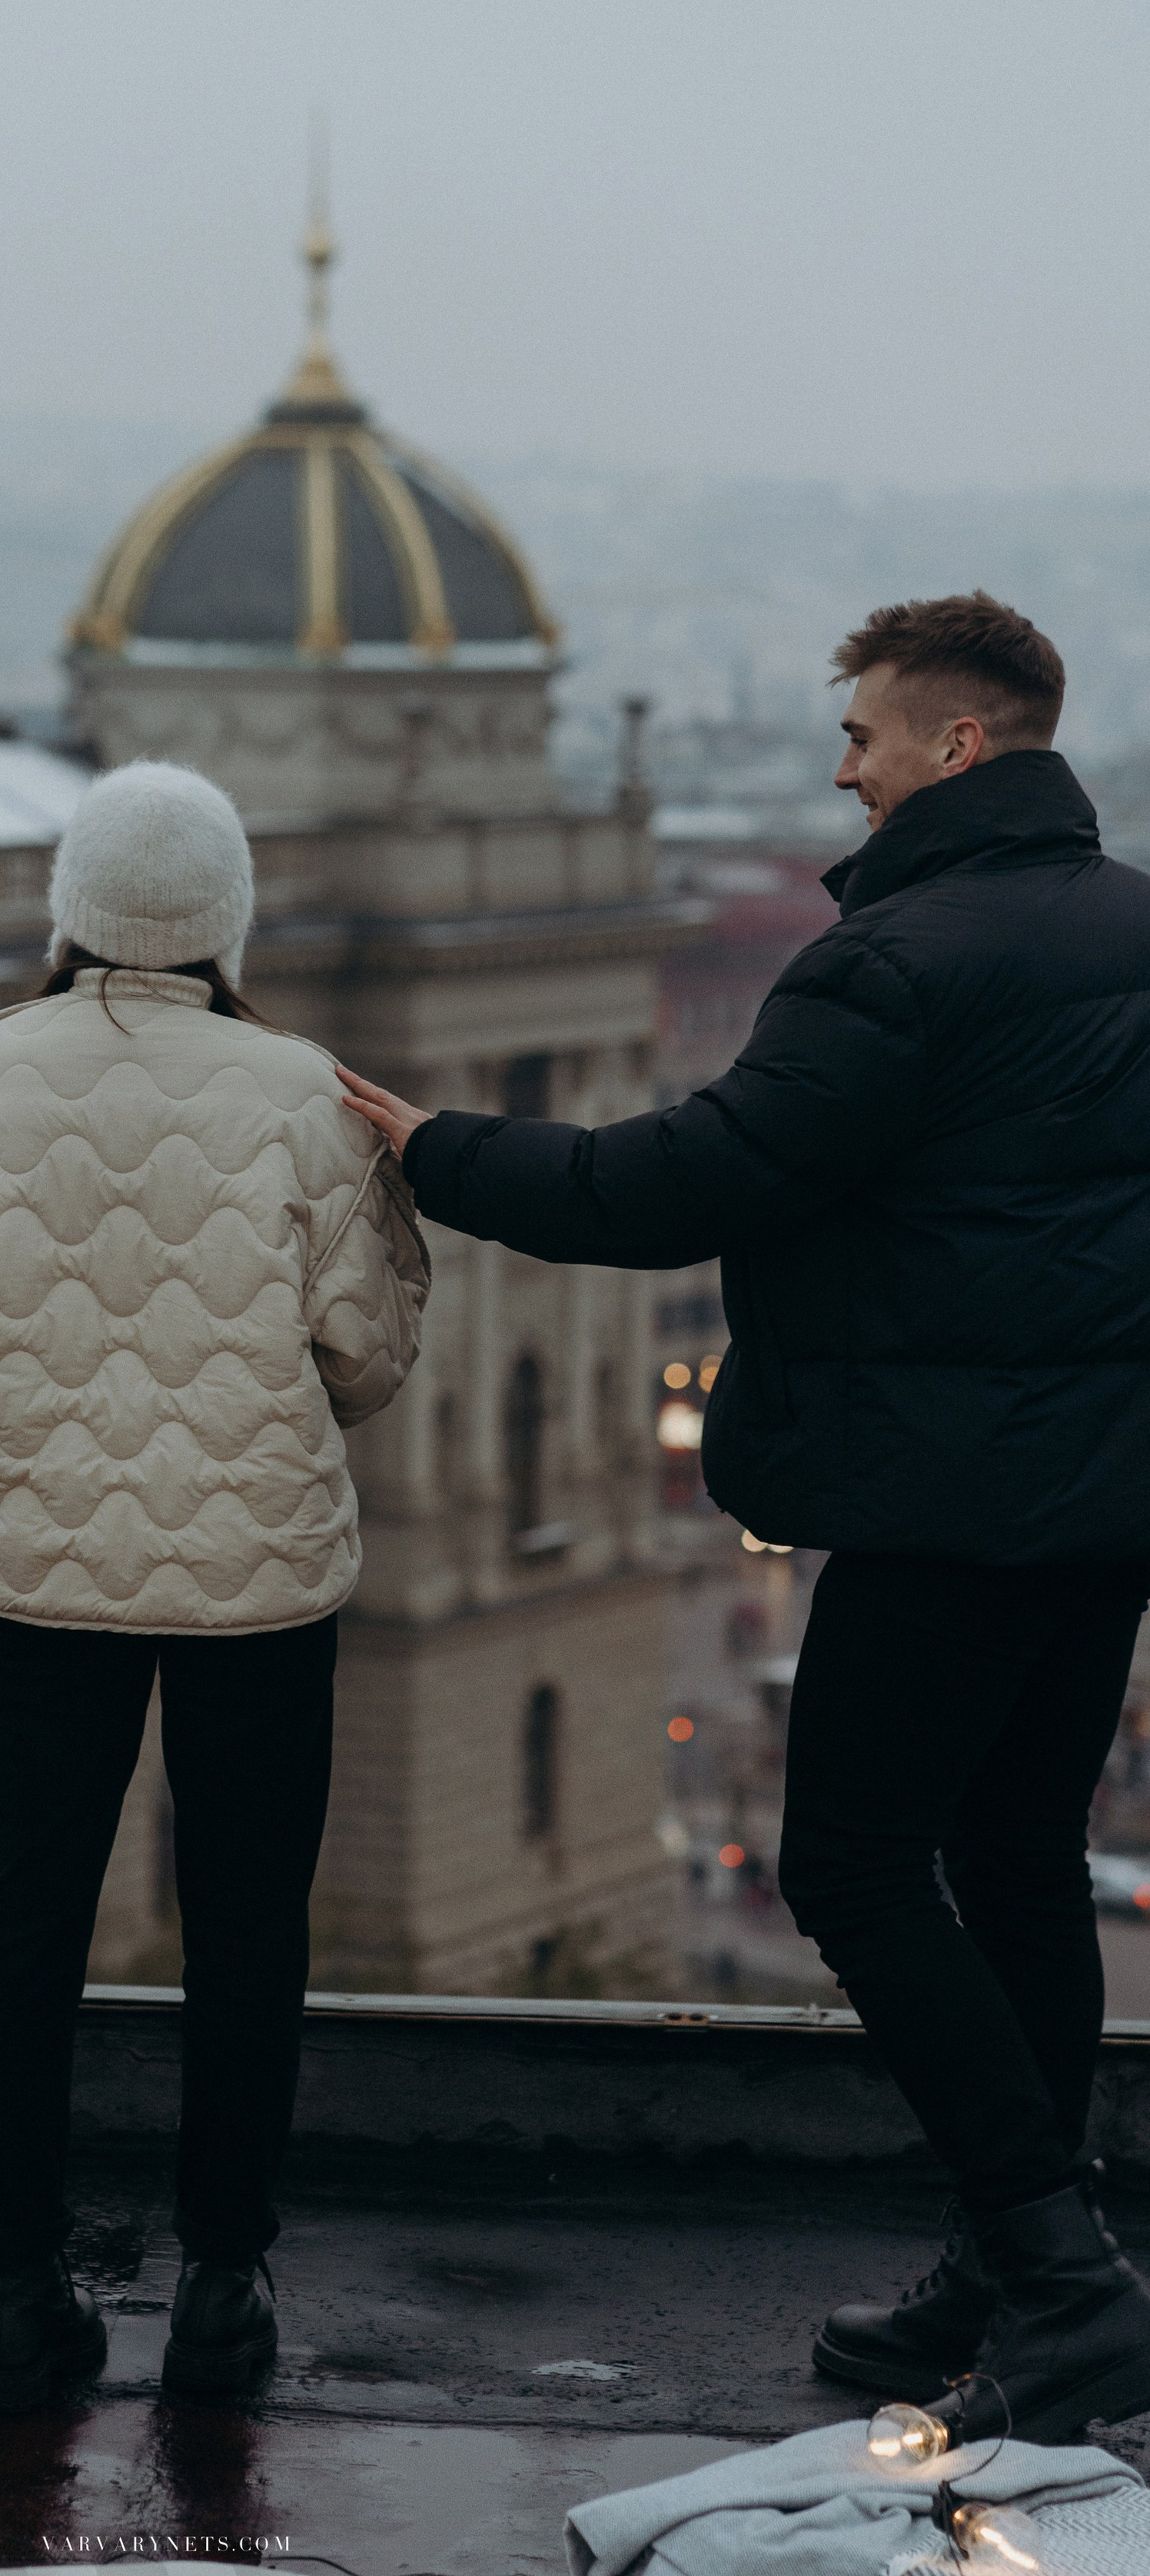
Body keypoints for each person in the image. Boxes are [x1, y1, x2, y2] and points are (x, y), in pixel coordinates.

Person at [337, 593, 1150, 2447]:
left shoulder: (891, 961)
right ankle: (1008, 2256)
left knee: (853, 1868)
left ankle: (1054, 2277)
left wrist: (428, 1146)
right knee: (1015, 1860)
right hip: (1099, 1495)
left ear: (955, 746)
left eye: (860, 733)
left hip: (941, 1500)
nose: (838, 766)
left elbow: (683, 1180)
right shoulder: (1130, 924)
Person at [0, 759, 429, 2414]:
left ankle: (22, 2294)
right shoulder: (300, 1091)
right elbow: (364, 1351)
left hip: (36, 1575)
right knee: (247, 1930)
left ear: (70, 910)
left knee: (22, 1934)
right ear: (225, 922)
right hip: (260, 1580)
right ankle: (221, 2289)